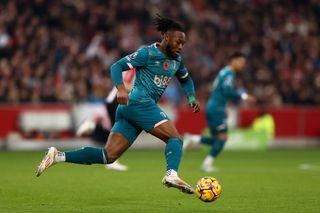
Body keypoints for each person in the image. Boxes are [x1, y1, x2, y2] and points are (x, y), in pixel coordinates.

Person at [36, 14, 201, 194]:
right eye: (178, 42)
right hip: (139, 103)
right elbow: (116, 66)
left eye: (183, 44)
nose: (180, 46)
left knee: (108, 156)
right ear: (166, 37)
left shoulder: (177, 60)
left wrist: (191, 98)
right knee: (175, 138)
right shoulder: (148, 53)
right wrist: (121, 89)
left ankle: (57, 156)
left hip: (129, 109)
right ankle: (171, 174)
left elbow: (185, 79)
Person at [183, 52, 255, 172]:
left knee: (218, 139)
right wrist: (244, 96)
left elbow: (219, 92)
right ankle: (206, 164)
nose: (243, 65)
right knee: (222, 137)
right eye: (241, 62)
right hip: (216, 108)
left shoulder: (224, 72)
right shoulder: (229, 74)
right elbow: (226, 91)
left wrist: (223, 106)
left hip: (216, 107)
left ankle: (192, 139)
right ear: (233, 60)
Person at [76, 69, 136, 171]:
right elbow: (124, 84)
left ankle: (93, 126)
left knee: (111, 132)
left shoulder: (132, 67)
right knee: (118, 132)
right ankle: (112, 161)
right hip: (117, 100)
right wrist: (140, 91)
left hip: (116, 100)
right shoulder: (134, 69)